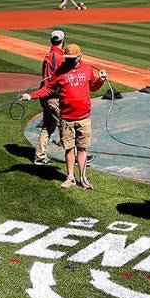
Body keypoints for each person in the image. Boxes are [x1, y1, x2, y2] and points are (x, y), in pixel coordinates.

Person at [19, 43, 105, 189]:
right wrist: (31, 96)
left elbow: (93, 87)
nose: (69, 60)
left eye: (72, 58)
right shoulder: (60, 70)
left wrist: (101, 80)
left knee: (82, 148)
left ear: (80, 56)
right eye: (67, 58)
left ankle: (83, 178)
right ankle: (70, 177)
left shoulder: (87, 70)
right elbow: (48, 89)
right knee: (69, 149)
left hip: (84, 117)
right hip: (66, 117)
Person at [32, 29, 65, 165]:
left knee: (48, 125)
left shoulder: (49, 55)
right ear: (63, 41)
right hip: (52, 97)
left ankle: (39, 156)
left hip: (45, 96)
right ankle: (75, 156)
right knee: (66, 125)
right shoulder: (58, 57)